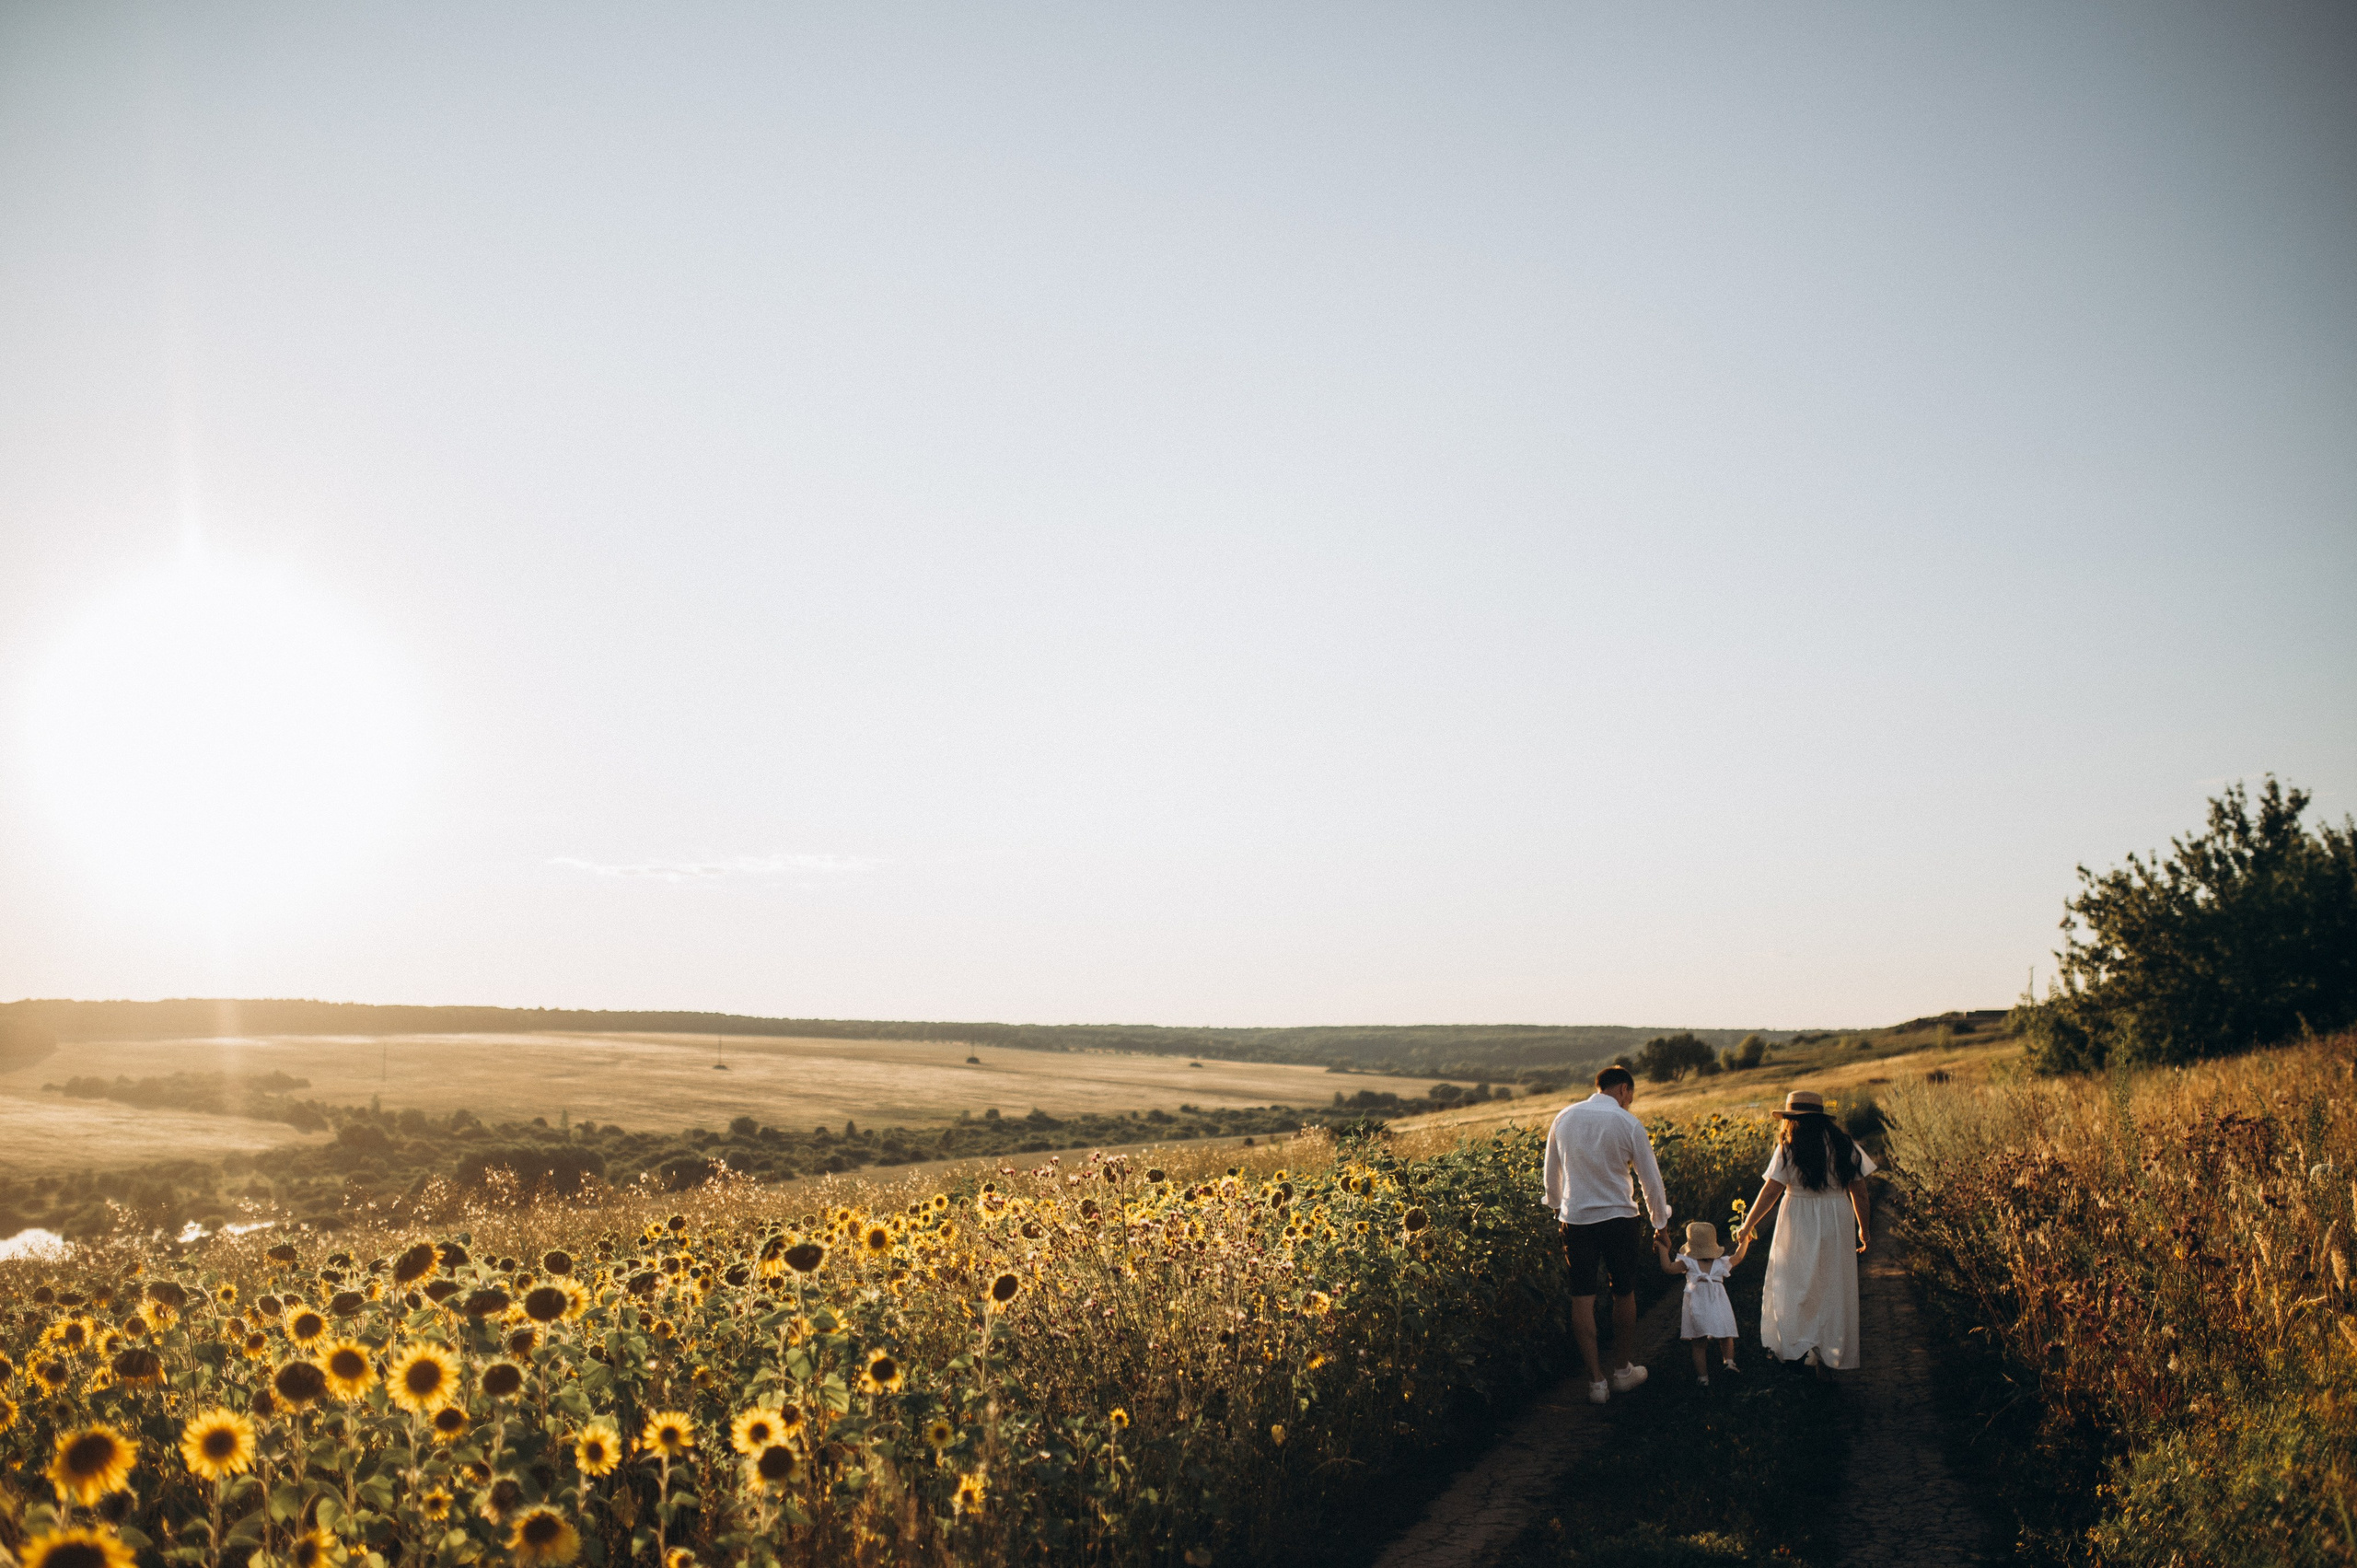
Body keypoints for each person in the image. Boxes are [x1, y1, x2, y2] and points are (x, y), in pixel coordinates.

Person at [1542, 1064, 1671, 1404]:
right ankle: (1622, 1371)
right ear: (1624, 1090)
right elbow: (1650, 1180)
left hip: (1577, 1219)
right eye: (1631, 1095)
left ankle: (1596, 1382)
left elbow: (1551, 1173)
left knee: (1582, 1296)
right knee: (1623, 1291)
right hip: (1618, 1218)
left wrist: (1558, 1206)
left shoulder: (1564, 1118)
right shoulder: (1627, 1123)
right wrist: (1661, 1224)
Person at [1736, 1088, 1875, 1373]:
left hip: (1798, 1216)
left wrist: (1748, 1224)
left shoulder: (1789, 1146)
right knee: (1831, 1283)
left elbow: (1771, 1191)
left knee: (1794, 1281)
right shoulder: (1844, 1144)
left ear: (1793, 1119)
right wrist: (1864, 1229)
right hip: (1836, 1216)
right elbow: (1860, 1193)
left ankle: (1797, 1345)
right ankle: (1826, 1352)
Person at [1655, 1221, 1750, 1385]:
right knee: (1726, 1334)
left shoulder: (1689, 1263)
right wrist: (1745, 1240)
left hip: (1698, 1304)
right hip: (1718, 1302)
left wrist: (1663, 1249)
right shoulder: (1720, 1263)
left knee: (1699, 1342)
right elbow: (1738, 1257)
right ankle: (1729, 1362)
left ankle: (1703, 1378)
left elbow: (1668, 1268)